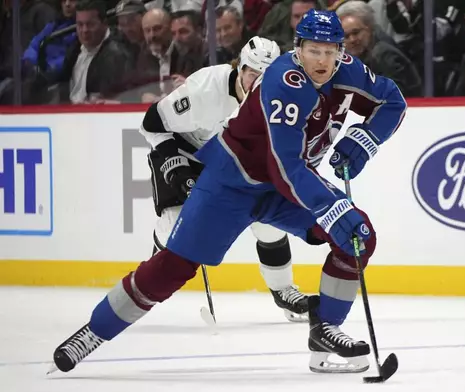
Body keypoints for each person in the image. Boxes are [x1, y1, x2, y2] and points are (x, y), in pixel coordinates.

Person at [50, 9, 406, 375]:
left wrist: (366, 138)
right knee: (173, 267)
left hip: (283, 183)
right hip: (232, 182)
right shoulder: (284, 82)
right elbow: (286, 166)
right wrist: (332, 206)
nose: (323, 60)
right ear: (297, 48)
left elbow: (392, 100)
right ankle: (93, 332)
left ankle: (325, 332)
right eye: (314, 50)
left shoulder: (348, 70)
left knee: (357, 236)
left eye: (331, 51)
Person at [143, 35, 309, 323]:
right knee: (177, 224)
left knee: (269, 220)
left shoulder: (277, 98)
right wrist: (177, 166)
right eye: (252, 75)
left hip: (230, 158)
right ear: (240, 67)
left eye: (265, 78)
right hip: (187, 150)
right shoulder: (204, 89)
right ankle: (147, 279)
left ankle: (284, 291)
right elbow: (152, 123)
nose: (257, 84)